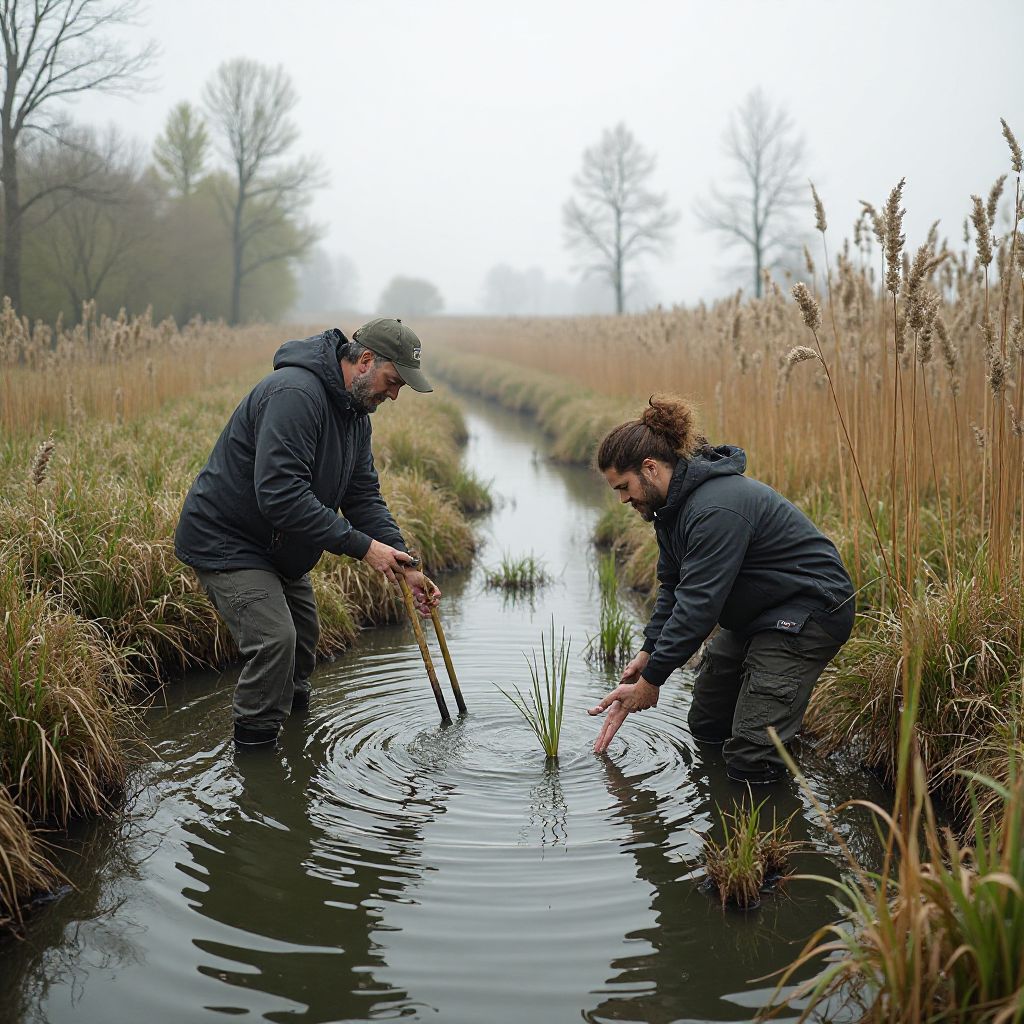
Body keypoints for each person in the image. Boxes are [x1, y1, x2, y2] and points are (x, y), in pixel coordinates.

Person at [174, 318, 440, 747]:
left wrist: (404, 562)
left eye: (400, 388)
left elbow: (363, 497)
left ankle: (294, 742)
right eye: (393, 382)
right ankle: (256, 762)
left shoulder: (355, 414)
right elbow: (279, 495)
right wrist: (363, 548)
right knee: (275, 640)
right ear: (366, 360)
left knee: (303, 637)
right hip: (228, 539)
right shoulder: (296, 394)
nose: (393, 395)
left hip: (280, 544)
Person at [588, 395, 854, 783]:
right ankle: (717, 799)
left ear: (650, 468)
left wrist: (652, 683)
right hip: (756, 612)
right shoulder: (670, 509)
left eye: (624, 487)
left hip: (808, 613)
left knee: (752, 755)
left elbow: (698, 606)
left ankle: (764, 825)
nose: (624, 498)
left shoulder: (715, 509)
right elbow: (674, 586)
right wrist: (649, 652)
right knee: (708, 722)